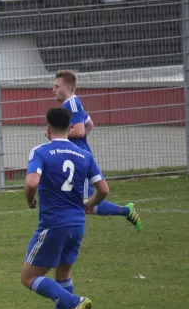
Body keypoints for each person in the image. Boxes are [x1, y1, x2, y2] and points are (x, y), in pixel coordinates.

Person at [22, 107, 110, 309]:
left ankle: (75, 302)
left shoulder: (41, 151)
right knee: (62, 275)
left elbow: (32, 183)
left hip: (54, 223)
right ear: (71, 127)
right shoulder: (83, 154)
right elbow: (103, 189)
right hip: (77, 223)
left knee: (28, 277)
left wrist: (30, 200)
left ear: (47, 127)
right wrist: (90, 202)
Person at [52, 70, 141, 231]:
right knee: (77, 200)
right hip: (76, 157)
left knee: (83, 202)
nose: (53, 90)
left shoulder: (70, 104)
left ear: (65, 87)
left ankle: (126, 211)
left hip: (79, 159)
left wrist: (58, 135)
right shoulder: (73, 103)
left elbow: (79, 131)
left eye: (56, 86)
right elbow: (89, 125)